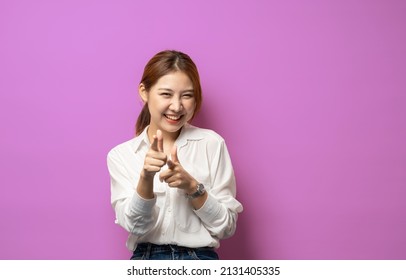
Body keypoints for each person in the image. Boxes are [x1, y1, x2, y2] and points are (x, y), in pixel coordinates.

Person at [107, 50, 243, 260]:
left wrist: (193, 188)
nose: (177, 106)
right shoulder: (121, 155)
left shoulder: (212, 144)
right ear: (144, 92)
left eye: (187, 95)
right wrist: (146, 178)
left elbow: (226, 226)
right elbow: (135, 226)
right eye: (166, 94)